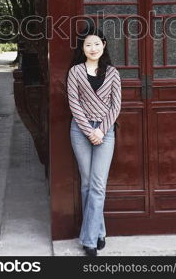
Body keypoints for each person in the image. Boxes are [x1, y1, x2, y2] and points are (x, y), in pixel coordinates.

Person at [66, 26, 122, 256]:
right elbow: (74, 103)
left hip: (106, 131)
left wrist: (101, 131)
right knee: (87, 184)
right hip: (80, 130)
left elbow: (116, 105)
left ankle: (89, 240)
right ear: (82, 48)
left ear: (104, 45)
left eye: (97, 43)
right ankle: (99, 232)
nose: (93, 48)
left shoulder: (112, 73)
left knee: (98, 185)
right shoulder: (75, 72)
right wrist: (89, 130)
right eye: (88, 44)